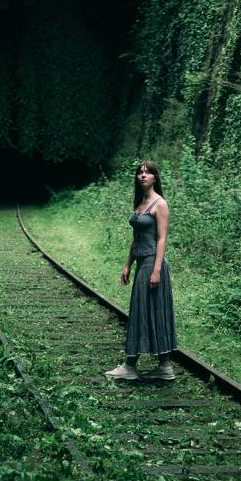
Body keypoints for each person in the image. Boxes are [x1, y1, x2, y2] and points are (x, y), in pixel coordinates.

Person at [104, 160, 178, 380]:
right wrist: (128, 264)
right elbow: (136, 238)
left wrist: (156, 270)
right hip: (141, 263)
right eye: (140, 173)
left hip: (153, 264)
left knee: (149, 311)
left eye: (148, 172)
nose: (143, 175)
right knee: (148, 310)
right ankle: (164, 366)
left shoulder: (160, 204)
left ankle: (131, 366)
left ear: (155, 178)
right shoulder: (140, 203)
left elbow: (162, 238)